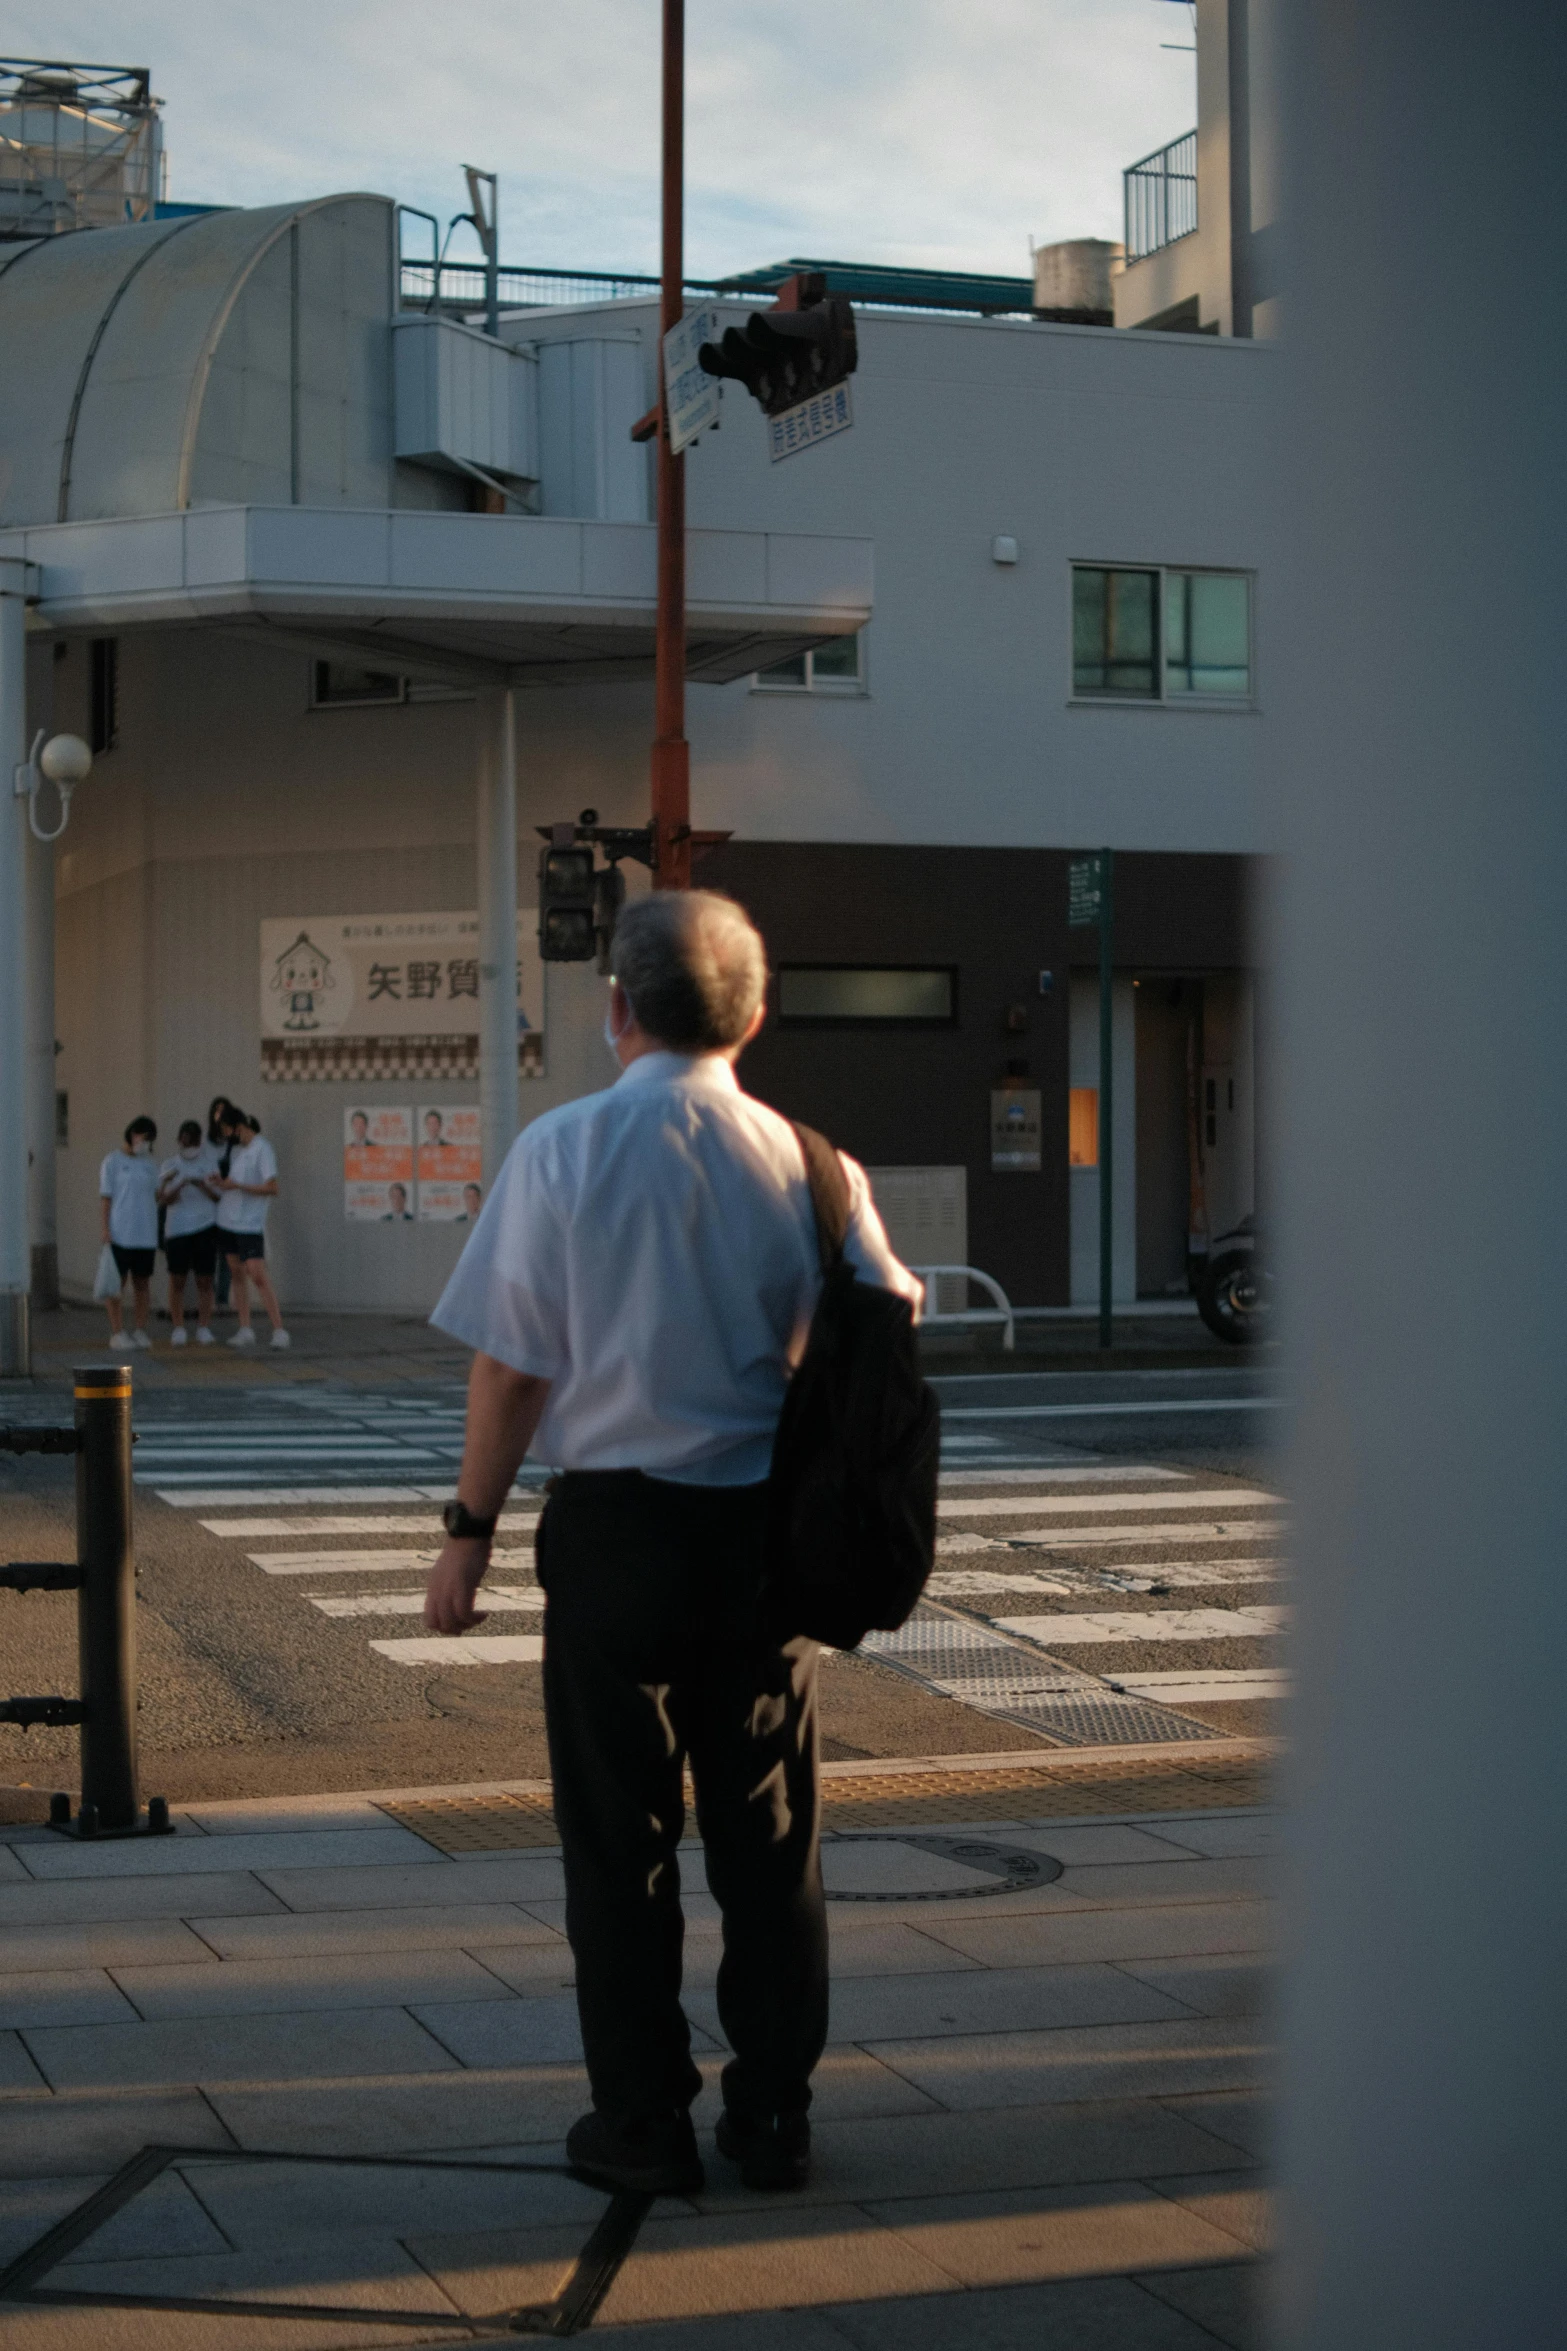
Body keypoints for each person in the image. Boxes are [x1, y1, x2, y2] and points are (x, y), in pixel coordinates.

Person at [424, 891, 919, 2199]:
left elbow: (509, 1369)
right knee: (767, 1840)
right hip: (762, 1538)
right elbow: (889, 1309)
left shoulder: (561, 1149)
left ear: (614, 1008)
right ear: (753, 1014)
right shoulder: (813, 1161)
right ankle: (771, 2118)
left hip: (613, 1532)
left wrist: (466, 1535)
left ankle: (641, 2121)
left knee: (616, 1837)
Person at [215, 1110, 289, 1349]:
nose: (226, 1136)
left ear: (237, 1127)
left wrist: (239, 1186)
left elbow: (272, 1188)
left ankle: (279, 1330)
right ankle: (245, 1328)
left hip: (249, 1224)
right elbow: (235, 1186)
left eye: (227, 1130)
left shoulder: (262, 1149)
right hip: (228, 1221)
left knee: (257, 1273)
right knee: (236, 1273)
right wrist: (223, 1184)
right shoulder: (239, 1152)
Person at [157, 1119, 222, 1346]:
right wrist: (179, 1184)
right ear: (179, 1141)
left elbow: (218, 1196)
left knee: (205, 1279)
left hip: (205, 1227)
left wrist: (200, 1184)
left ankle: (203, 1327)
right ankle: (178, 1327)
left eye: (193, 1140)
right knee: (177, 1279)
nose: (189, 1145)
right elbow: (163, 1199)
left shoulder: (210, 1163)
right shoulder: (170, 1165)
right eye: (185, 1140)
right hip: (177, 1230)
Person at [99, 1115, 160, 1352]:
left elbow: (156, 1195)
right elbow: (106, 1198)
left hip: (145, 1233)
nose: (146, 1144)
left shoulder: (149, 1164)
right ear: (134, 1133)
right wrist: (105, 1228)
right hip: (120, 1233)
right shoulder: (112, 1162)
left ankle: (140, 1329)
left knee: (142, 1283)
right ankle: (117, 1331)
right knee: (117, 1284)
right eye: (145, 1138)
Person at [208, 1097, 237, 1313]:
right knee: (208, 1252)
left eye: (223, 1111)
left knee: (226, 1254)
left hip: (228, 1202)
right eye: (216, 1111)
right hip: (209, 1201)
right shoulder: (207, 1143)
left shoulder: (233, 1143)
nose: (219, 1115)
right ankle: (207, 1296)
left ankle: (222, 1298)